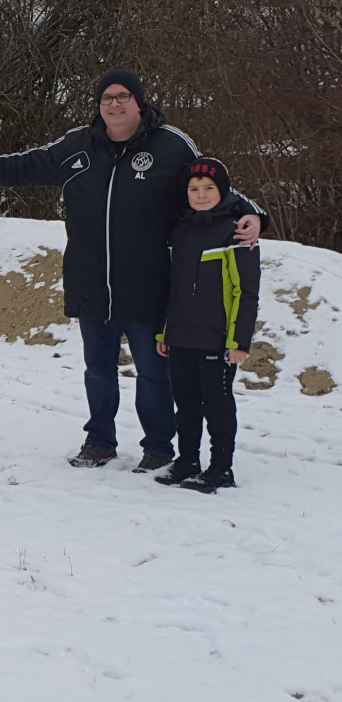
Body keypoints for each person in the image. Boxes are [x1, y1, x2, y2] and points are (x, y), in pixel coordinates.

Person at [0, 68, 265, 470]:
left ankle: (159, 446)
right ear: (99, 105)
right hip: (91, 280)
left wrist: (253, 214)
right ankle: (100, 441)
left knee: (152, 373)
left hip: (148, 282)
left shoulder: (171, 147)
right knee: (99, 370)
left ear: (139, 102)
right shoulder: (78, 146)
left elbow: (211, 184)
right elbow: (24, 166)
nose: (115, 104)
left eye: (123, 96)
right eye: (107, 97)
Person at [154, 157, 259, 492]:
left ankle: (221, 468)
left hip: (218, 339)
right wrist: (164, 331)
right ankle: (187, 461)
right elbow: (169, 285)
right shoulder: (180, 230)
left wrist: (239, 342)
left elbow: (247, 292)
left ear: (223, 191)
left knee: (216, 404)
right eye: (194, 188)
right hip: (182, 335)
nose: (200, 194)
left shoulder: (238, 231)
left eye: (209, 188)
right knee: (185, 403)